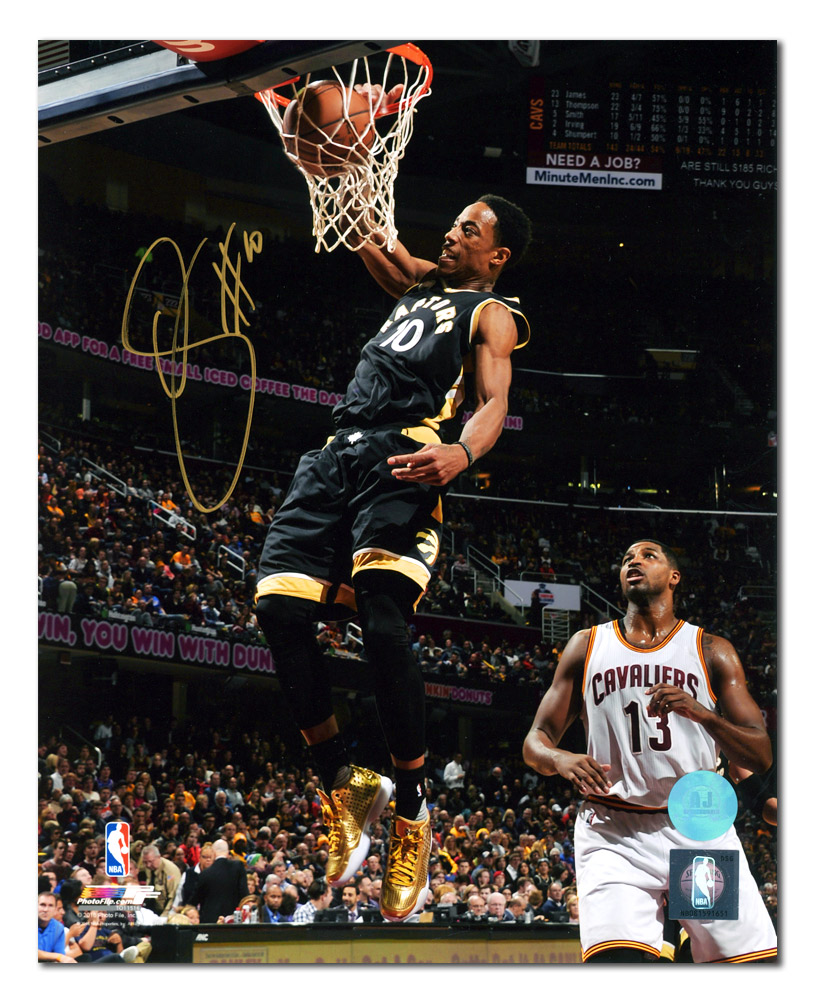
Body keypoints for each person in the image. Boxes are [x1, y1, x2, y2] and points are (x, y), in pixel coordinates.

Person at [254, 184, 532, 925]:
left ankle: (411, 806)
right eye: (453, 222)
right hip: (334, 454)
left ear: (497, 255)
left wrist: (460, 453)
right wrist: (335, 171)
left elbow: (495, 402)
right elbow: (378, 248)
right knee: (277, 607)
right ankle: (343, 782)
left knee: (382, 619)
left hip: (406, 454)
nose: (452, 233)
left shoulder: (491, 313)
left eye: (468, 229)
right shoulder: (423, 286)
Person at [522, 538, 778, 963]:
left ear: (674, 577)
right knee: (618, 967)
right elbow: (535, 740)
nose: (634, 561)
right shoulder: (586, 646)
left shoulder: (711, 650)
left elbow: (760, 753)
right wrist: (559, 758)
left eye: (647, 555)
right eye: (627, 558)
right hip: (613, 830)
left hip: (697, 826)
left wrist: (703, 715)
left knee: (743, 969)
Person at [189, 838, 248, 923]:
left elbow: (195, 900)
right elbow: (244, 894)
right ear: (228, 853)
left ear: (213, 853)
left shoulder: (205, 873)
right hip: (233, 921)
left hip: (210, 923)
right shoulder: (238, 867)